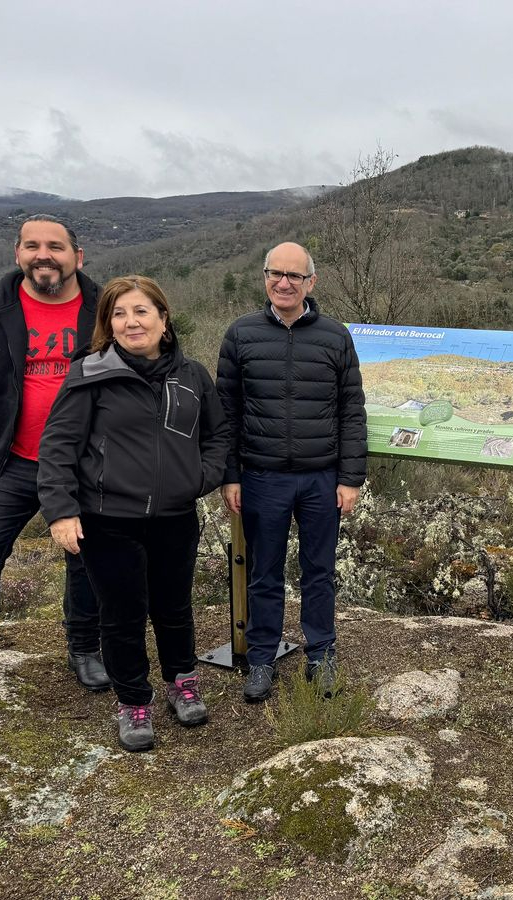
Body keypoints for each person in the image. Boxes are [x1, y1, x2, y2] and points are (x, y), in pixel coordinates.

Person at [37, 276, 228, 751]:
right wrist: (61, 511)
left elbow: (218, 435)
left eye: (141, 311)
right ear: (108, 325)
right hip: (108, 518)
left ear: (163, 320)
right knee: (122, 614)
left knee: (174, 607)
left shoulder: (192, 375)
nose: (130, 321)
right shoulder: (90, 373)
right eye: (119, 314)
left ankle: (182, 681)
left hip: (175, 516)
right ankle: (133, 701)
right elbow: (58, 446)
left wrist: (198, 479)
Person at [216, 242, 367, 703]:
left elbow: (351, 411)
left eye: (294, 276)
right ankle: (262, 659)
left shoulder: (335, 336)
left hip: (322, 478)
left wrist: (350, 478)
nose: (283, 283)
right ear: (265, 277)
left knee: (318, 571)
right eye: (275, 273)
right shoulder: (240, 334)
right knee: (264, 573)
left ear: (310, 283)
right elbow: (226, 414)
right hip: (262, 477)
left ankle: (321, 655)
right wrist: (230, 474)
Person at [0, 215, 106, 697]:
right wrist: (7, 407)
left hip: (85, 462)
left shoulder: (102, 309)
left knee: (86, 556)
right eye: (32, 245)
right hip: (8, 460)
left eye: (55, 246)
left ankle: (85, 649)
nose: (43, 255)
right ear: (17, 254)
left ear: (77, 256)